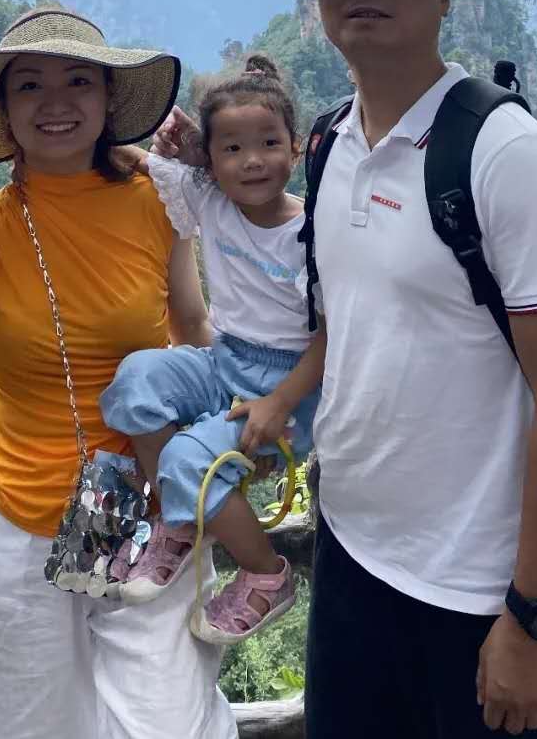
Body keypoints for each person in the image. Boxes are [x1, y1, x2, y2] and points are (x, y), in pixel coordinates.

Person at [269, 0, 537, 739]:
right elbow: (349, 323)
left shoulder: (508, 154)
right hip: (353, 558)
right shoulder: (331, 141)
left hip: (483, 590)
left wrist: (535, 616)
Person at [0, 7, 238, 739]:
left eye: (79, 82)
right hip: (25, 525)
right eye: (29, 85)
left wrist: (225, 443)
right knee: (33, 727)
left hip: (151, 516)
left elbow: (193, 329)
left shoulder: (158, 203)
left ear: (108, 99)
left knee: (173, 723)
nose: (56, 102)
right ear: (4, 111)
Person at [100, 54, 326, 644]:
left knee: (187, 459)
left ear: (295, 148)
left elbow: (336, 334)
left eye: (269, 143)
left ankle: (267, 574)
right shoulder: (210, 200)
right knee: (137, 380)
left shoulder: (312, 235)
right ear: (210, 159)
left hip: (289, 386)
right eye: (232, 149)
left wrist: (279, 403)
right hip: (224, 361)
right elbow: (150, 164)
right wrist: (108, 140)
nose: (252, 160)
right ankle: (181, 524)